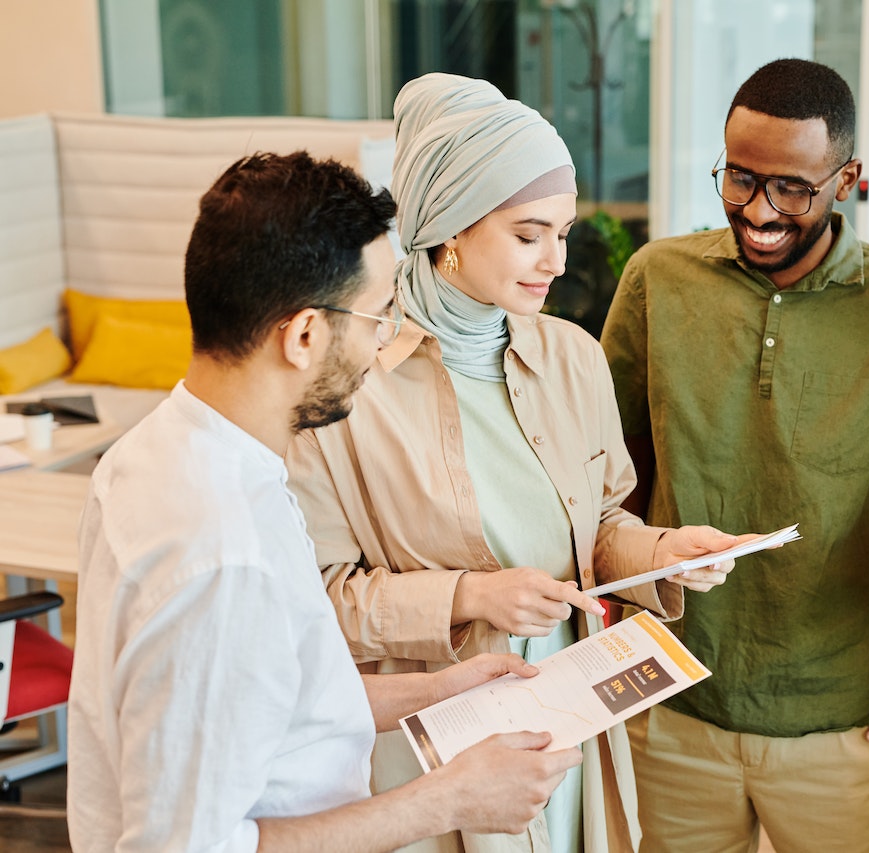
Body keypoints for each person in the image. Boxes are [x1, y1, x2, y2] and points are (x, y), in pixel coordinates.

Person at [67, 151, 583, 852]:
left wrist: (441, 690)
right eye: (377, 316)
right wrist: (450, 797)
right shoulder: (221, 556)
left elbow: (277, 704)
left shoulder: (163, 451)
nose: (382, 342)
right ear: (305, 333)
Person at [284, 73, 747, 853]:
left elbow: (598, 526)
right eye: (529, 234)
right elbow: (325, 602)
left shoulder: (572, 356)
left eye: (563, 233)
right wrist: (470, 595)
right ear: (450, 228)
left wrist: (663, 552)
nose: (557, 262)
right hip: (425, 746)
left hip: (567, 714)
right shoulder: (343, 384)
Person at [600, 58, 869, 853]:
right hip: (674, 700)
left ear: (847, 178)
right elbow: (615, 477)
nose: (759, 210)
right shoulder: (655, 279)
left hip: (843, 716)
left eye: (792, 189)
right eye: (739, 179)